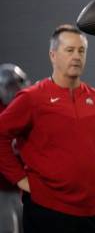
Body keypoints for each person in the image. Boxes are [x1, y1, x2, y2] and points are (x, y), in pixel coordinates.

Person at [0, 25, 95, 233]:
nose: (76, 56)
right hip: (47, 211)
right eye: (69, 50)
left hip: (94, 212)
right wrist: (20, 180)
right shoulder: (32, 98)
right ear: (53, 55)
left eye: (81, 51)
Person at [0, 63, 30, 233]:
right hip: (3, 190)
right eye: (10, 85)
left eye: (17, 84)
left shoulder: (27, 110)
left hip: (22, 191)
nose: (15, 90)